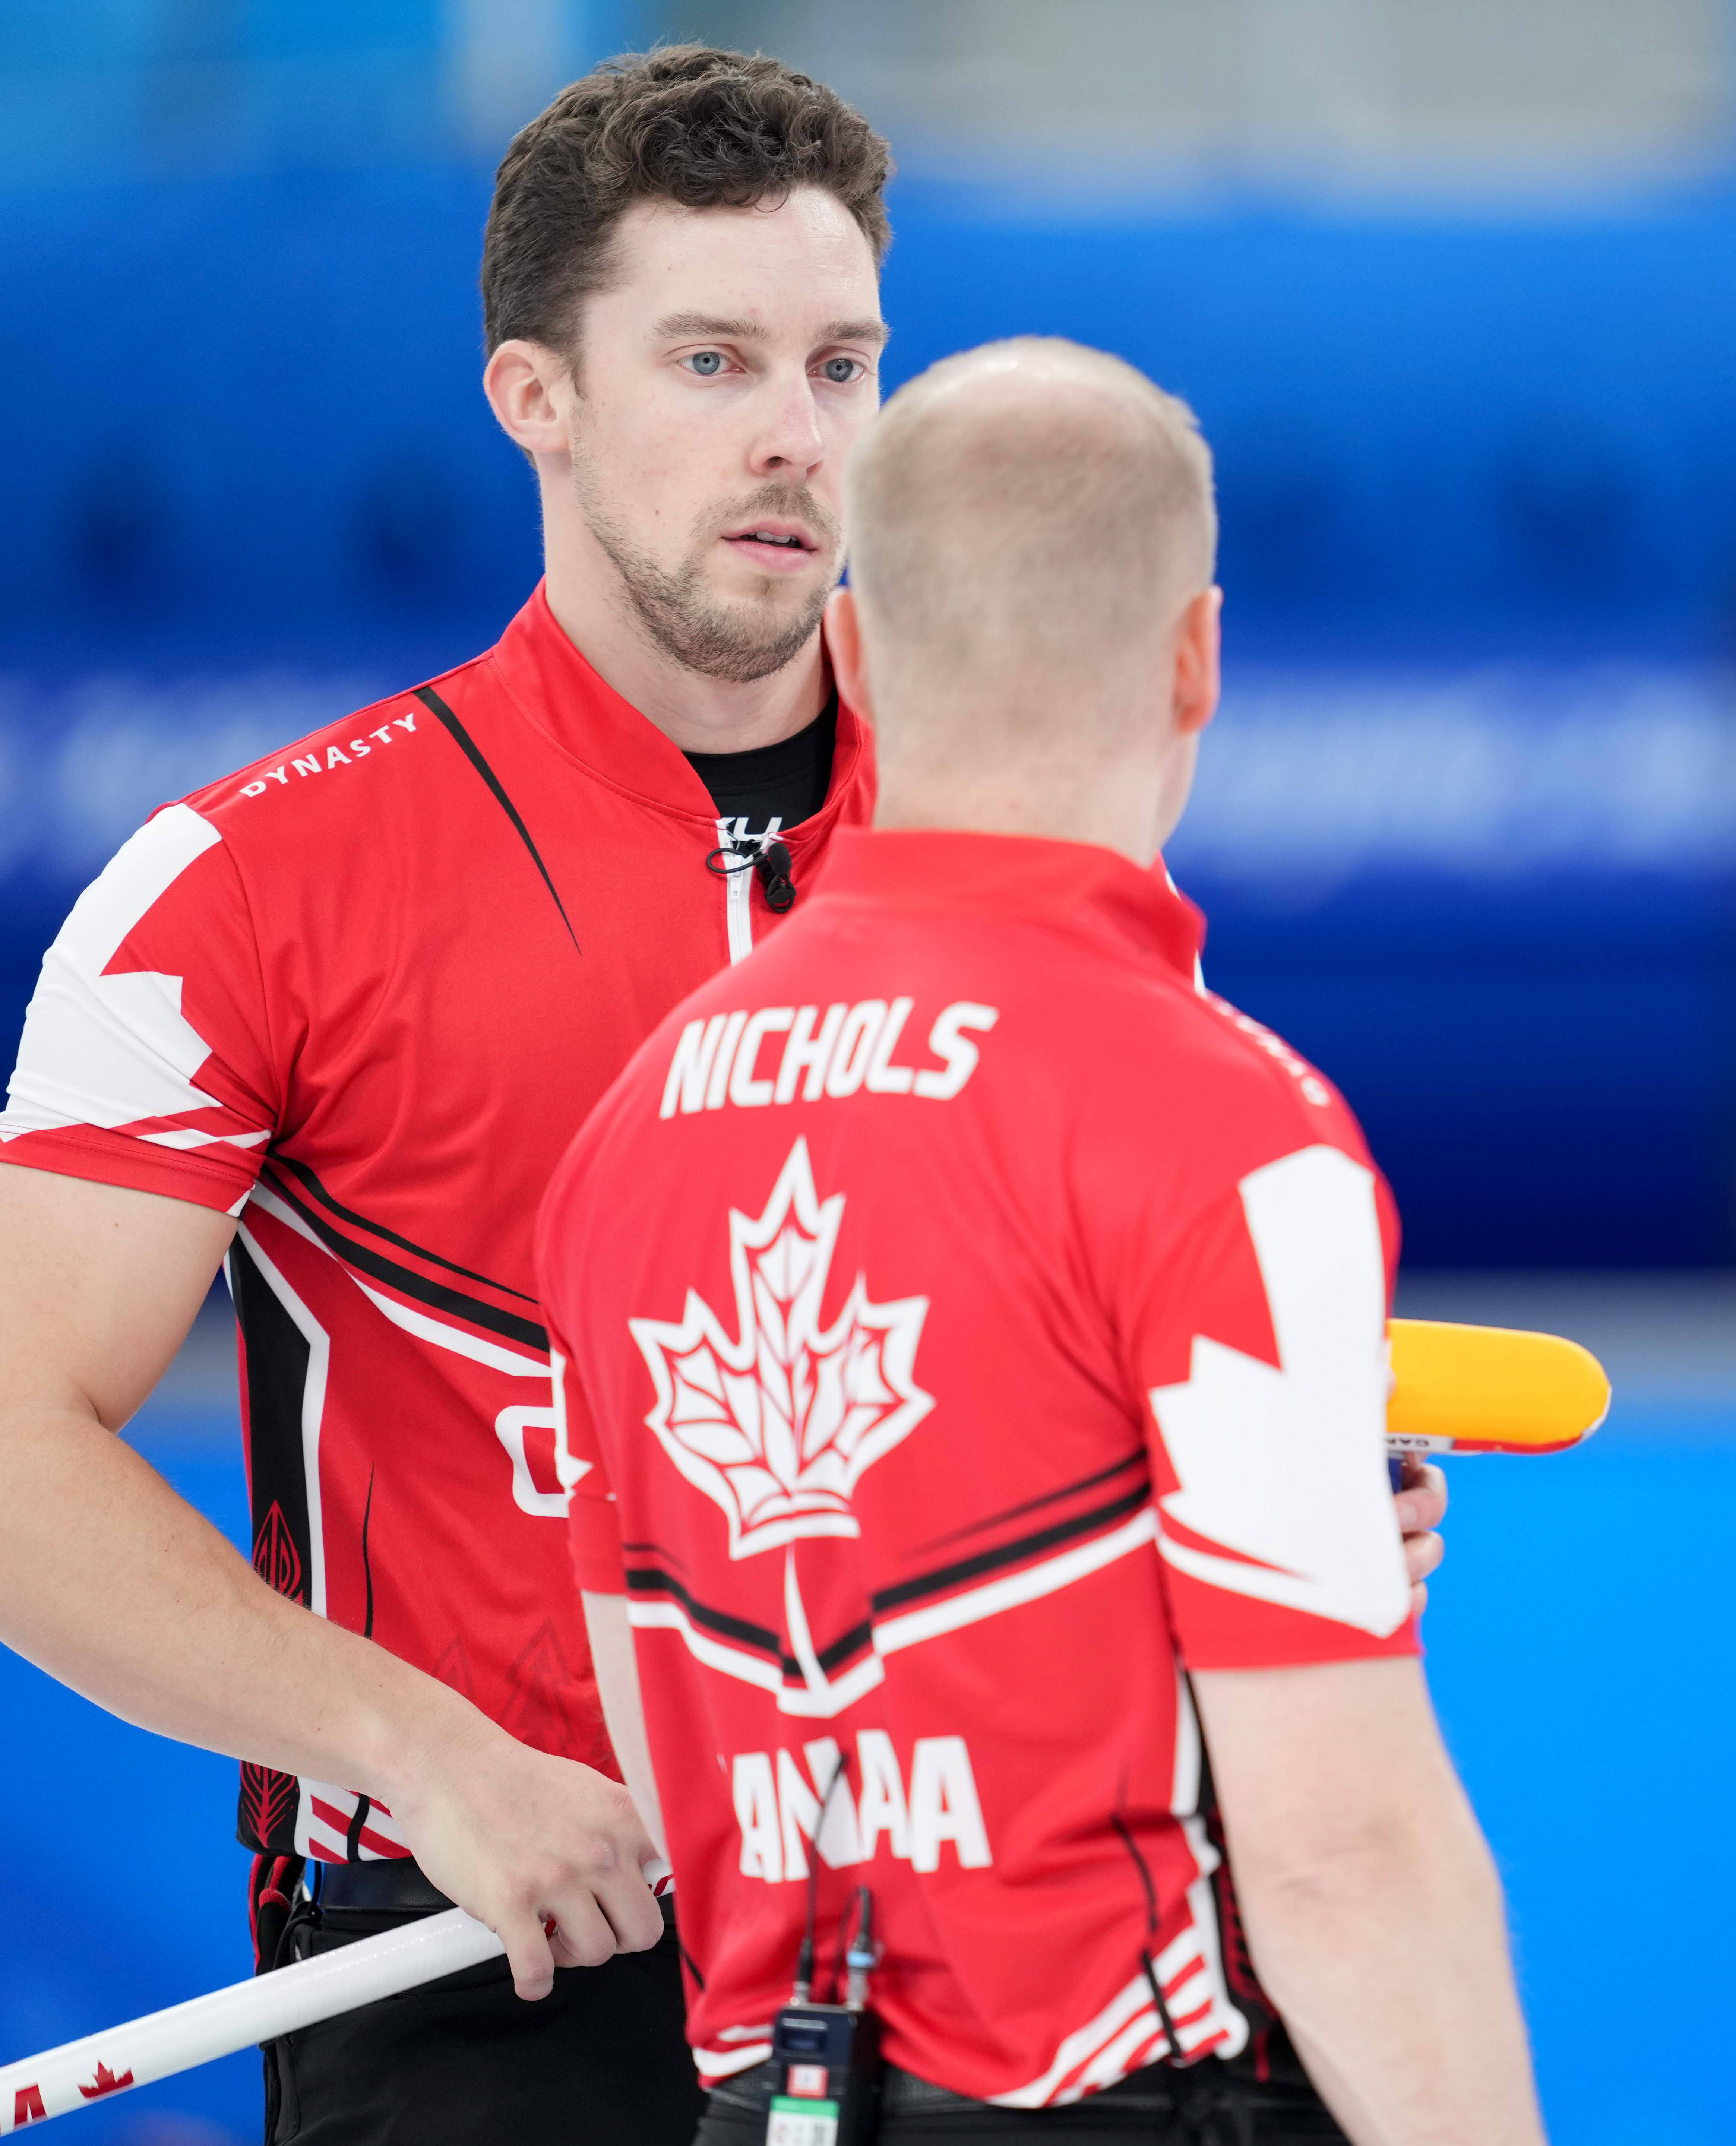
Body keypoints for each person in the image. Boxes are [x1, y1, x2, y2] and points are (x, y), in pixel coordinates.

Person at [0, 46, 1449, 2144]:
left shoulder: (1043, 834)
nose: (796, 439)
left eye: (843, 366)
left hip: (1005, 1946)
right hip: (504, 1940)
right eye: (709, 361)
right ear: (537, 397)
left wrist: (1266, 1497)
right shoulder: (246, 887)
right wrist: (426, 1752)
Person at [536, 336, 1544, 2145]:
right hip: (1127, 2093)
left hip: (761, 2103)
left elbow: (664, 1712)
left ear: (849, 655)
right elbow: (1344, 1861)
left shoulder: (635, 1125)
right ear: (1199, 659)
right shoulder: (1227, 1123)